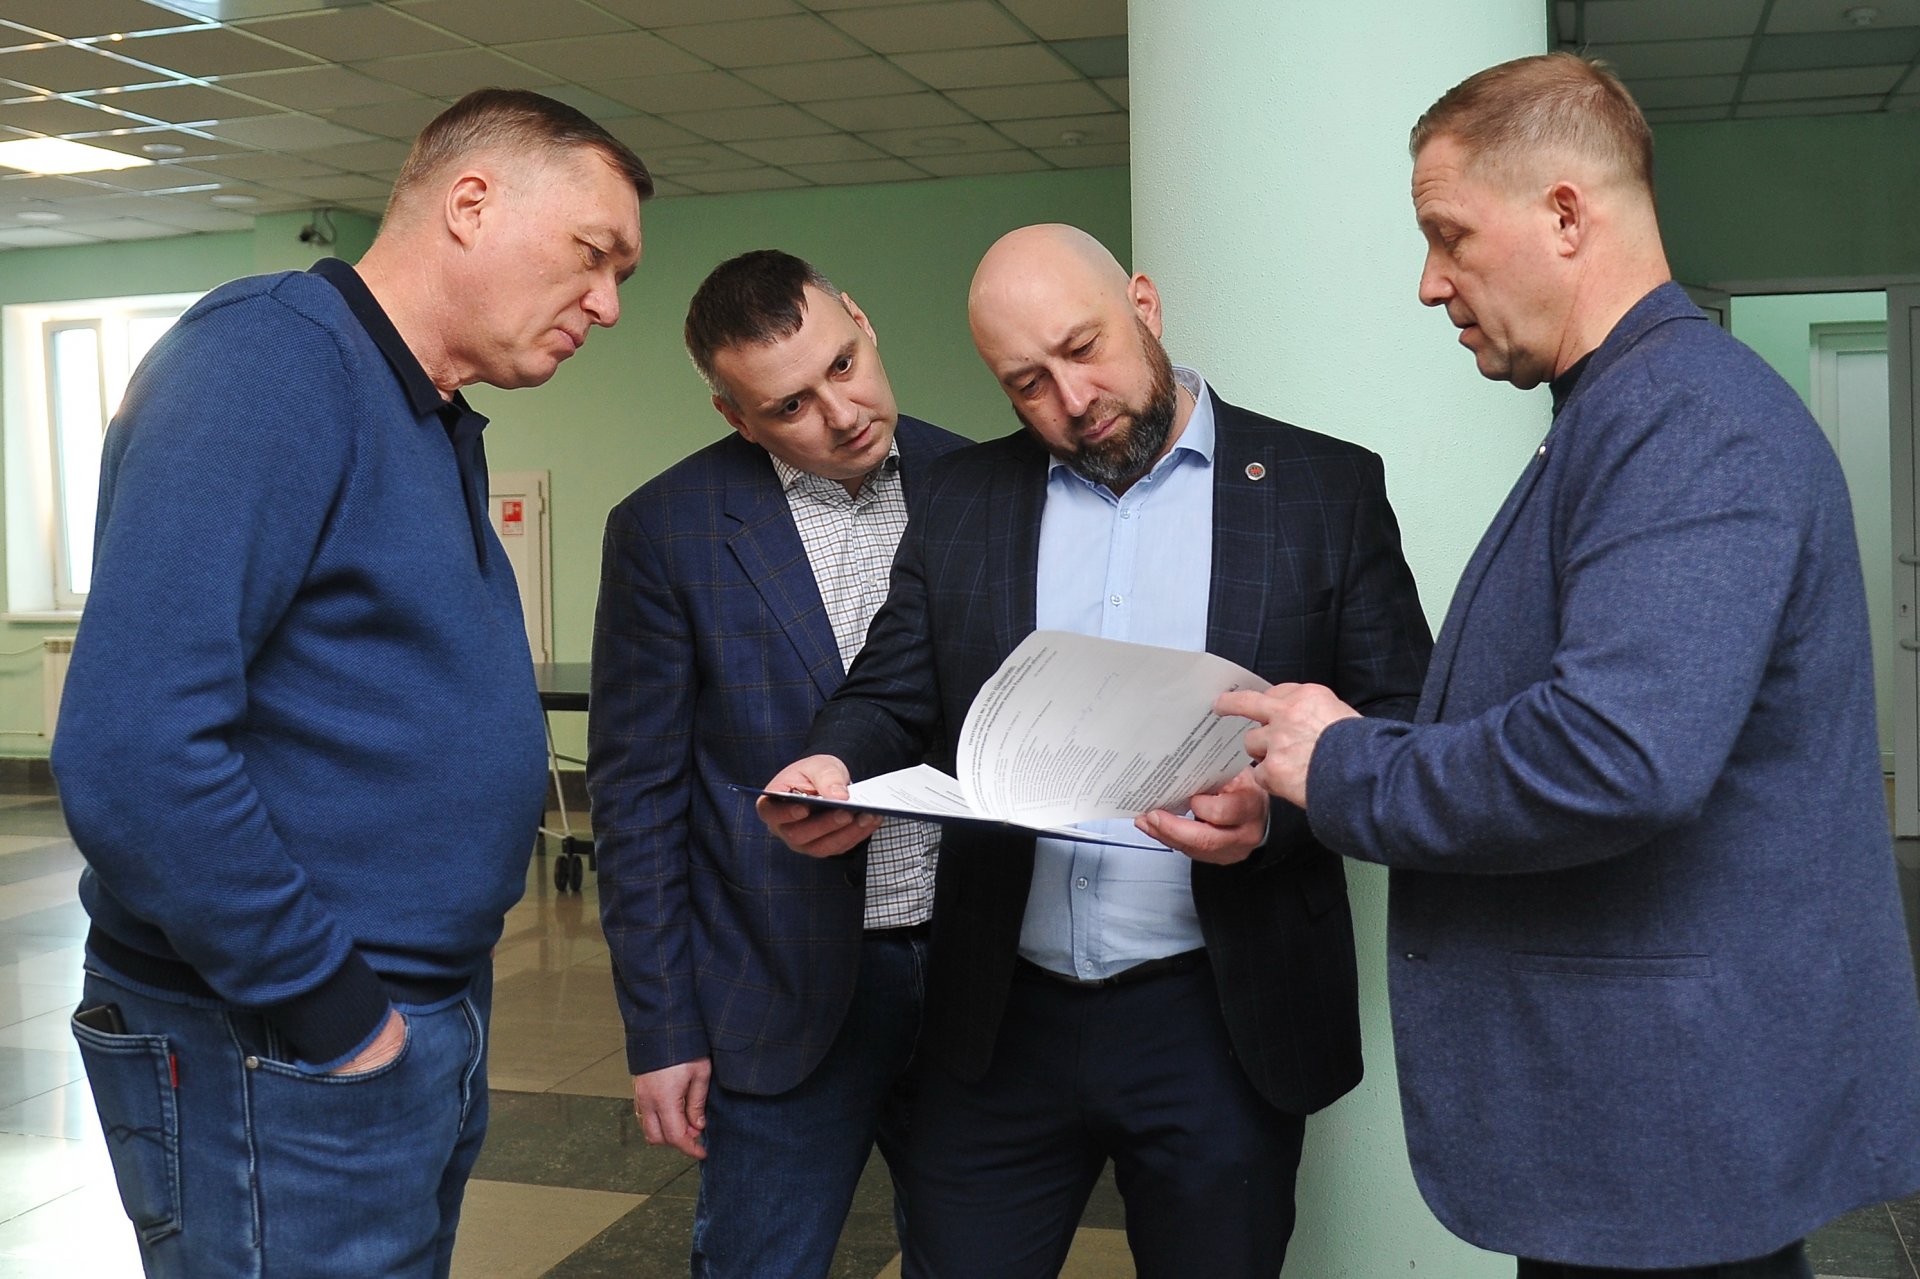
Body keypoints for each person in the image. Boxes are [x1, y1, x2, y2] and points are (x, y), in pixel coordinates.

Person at [1218, 53, 1920, 1279]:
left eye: (1449, 234)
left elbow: (1617, 755)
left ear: (1564, 213)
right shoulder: (1625, 408)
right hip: (1650, 1117)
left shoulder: (1685, 417)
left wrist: (1344, 763)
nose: (1430, 282)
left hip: (1671, 1116)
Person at [52, 89, 650, 1279]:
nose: (608, 304)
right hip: (278, 1037)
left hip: (402, 1012)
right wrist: (330, 1004)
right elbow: (133, 752)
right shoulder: (267, 360)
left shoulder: (417, 406)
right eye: (594, 255)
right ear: (471, 205)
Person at [759, 223, 1432, 1279]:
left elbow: (1396, 726)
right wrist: (835, 764)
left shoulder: (1322, 487)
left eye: (1085, 349)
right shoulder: (962, 496)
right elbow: (892, 686)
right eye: (1027, 383)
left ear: (1145, 307)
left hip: (1220, 1014)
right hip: (1001, 1016)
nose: (1071, 400)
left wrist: (1274, 816)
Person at [587, 249, 968, 1277]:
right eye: (790, 405)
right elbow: (636, 799)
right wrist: (662, 1028)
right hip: (777, 984)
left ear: (862, 320)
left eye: (843, 364)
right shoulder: (665, 530)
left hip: (976, 979)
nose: (842, 413)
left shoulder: (985, 484)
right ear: (736, 417)